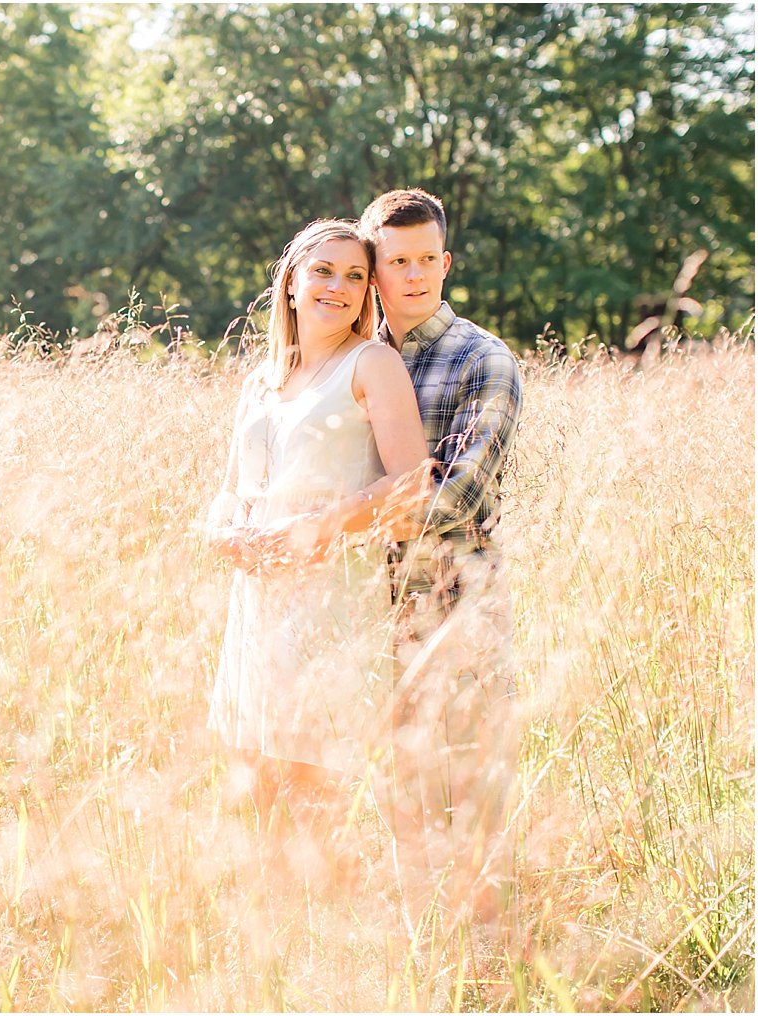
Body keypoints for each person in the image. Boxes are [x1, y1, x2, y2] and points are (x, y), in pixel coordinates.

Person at [206, 219, 432, 816]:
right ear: (291, 283)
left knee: (309, 793)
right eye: (324, 271)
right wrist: (221, 533)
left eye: (356, 276)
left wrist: (311, 529)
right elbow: (231, 489)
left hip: (331, 597)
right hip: (254, 599)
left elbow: (411, 483)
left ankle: (317, 906)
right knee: (249, 786)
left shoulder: (371, 364)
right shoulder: (262, 379)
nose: (339, 286)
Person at [353, 188, 524, 936]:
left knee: (466, 781)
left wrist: (327, 526)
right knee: (398, 784)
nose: (415, 276)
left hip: (458, 602)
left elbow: (458, 499)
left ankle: (483, 955)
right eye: (397, 262)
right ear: (373, 269)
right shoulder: (353, 360)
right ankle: (417, 940)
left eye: (428, 259)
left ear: (446, 261)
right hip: (359, 605)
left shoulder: (483, 361)